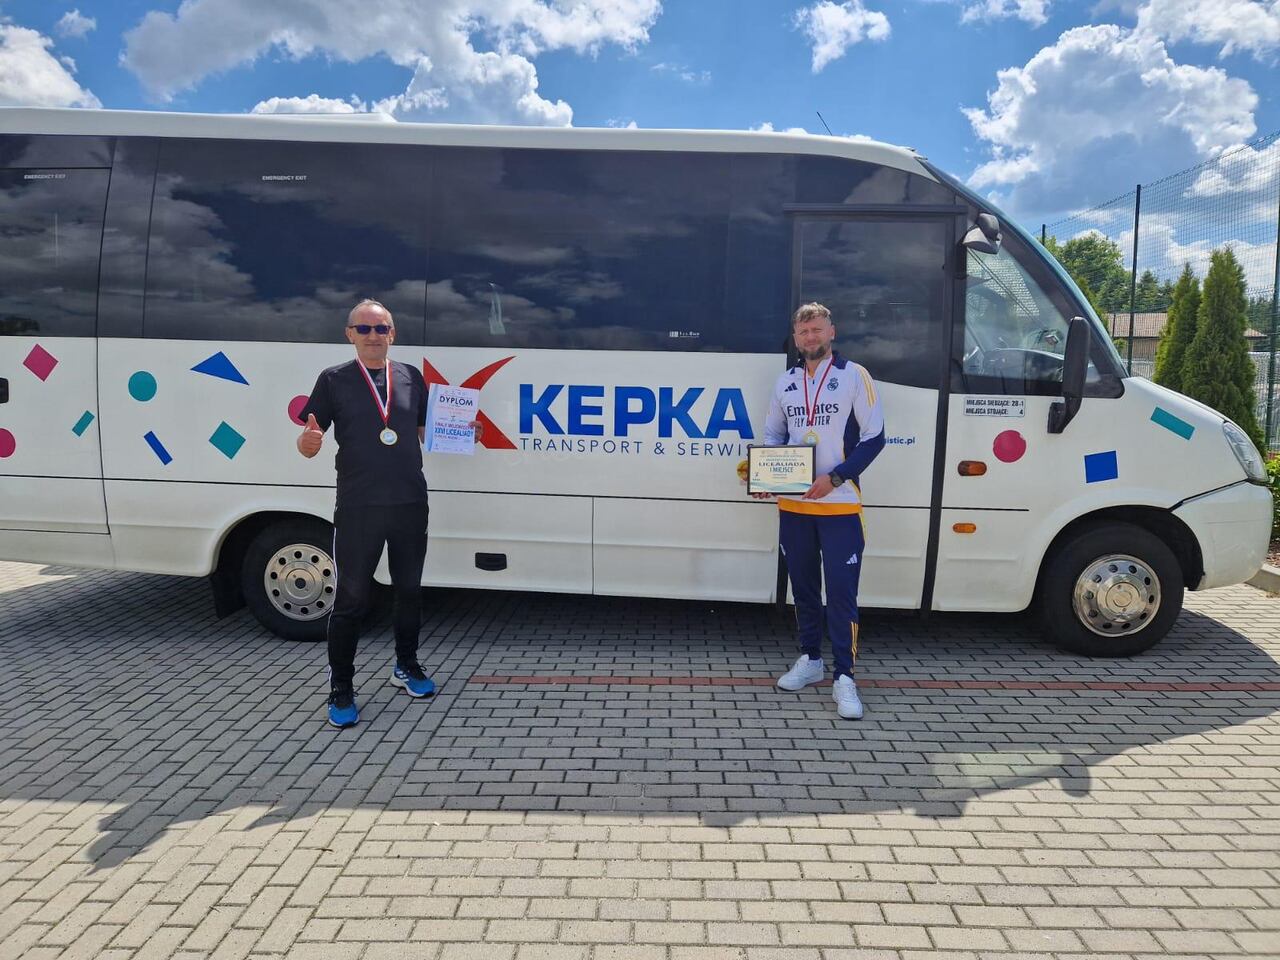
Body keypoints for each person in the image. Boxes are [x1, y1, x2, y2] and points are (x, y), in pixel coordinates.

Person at [297, 299, 477, 728]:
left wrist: (463, 432)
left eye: (381, 329)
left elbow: (424, 430)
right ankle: (341, 686)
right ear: (350, 334)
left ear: (393, 334)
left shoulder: (410, 376)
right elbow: (309, 438)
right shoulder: (334, 379)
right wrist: (308, 443)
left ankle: (406, 666)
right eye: (364, 329)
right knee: (351, 599)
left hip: (409, 502)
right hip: (359, 505)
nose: (373, 336)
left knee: (409, 590)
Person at [759, 302, 885, 719]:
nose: (810, 337)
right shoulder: (786, 382)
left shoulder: (854, 376)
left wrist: (836, 477)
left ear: (832, 331)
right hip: (794, 506)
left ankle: (844, 677)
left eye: (817, 329)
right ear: (795, 339)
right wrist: (767, 476)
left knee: (842, 595)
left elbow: (875, 438)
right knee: (804, 590)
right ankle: (811, 659)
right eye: (803, 332)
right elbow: (773, 435)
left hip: (841, 507)